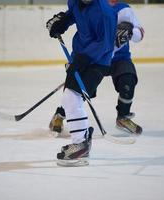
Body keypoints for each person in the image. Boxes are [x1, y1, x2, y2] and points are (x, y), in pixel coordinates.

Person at [49, 0, 144, 136]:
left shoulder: (123, 10)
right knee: (78, 92)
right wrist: (62, 22)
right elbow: (74, 14)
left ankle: (123, 116)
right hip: (91, 56)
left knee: (127, 80)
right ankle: (60, 114)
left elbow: (140, 33)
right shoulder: (89, 5)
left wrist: (129, 33)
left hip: (118, 57)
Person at [46, 0, 117, 165]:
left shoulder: (104, 12)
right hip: (79, 57)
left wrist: (84, 59)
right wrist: (62, 22)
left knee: (71, 98)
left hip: (98, 61)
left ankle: (80, 145)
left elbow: (105, 44)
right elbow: (74, 14)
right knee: (68, 99)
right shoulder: (75, 2)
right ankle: (82, 141)